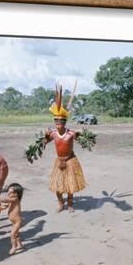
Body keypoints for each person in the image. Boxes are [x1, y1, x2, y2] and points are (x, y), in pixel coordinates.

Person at [43, 83, 86, 213]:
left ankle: (70, 204)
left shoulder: (71, 133)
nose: (58, 124)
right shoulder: (53, 134)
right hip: (59, 161)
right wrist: (44, 138)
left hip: (71, 160)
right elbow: (45, 142)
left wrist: (82, 134)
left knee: (70, 185)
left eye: (61, 121)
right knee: (57, 186)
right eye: (56, 121)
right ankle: (61, 204)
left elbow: (82, 140)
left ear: (65, 122)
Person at [0, 183, 24, 255]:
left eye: (11, 192)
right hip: (13, 221)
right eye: (8, 191)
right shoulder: (11, 200)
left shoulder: (15, 199)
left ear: (16, 193)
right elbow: (5, 206)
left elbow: (5, 200)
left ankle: (13, 248)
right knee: (16, 234)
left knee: (12, 234)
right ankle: (20, 245)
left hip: (18, 221)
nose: (9, 192)